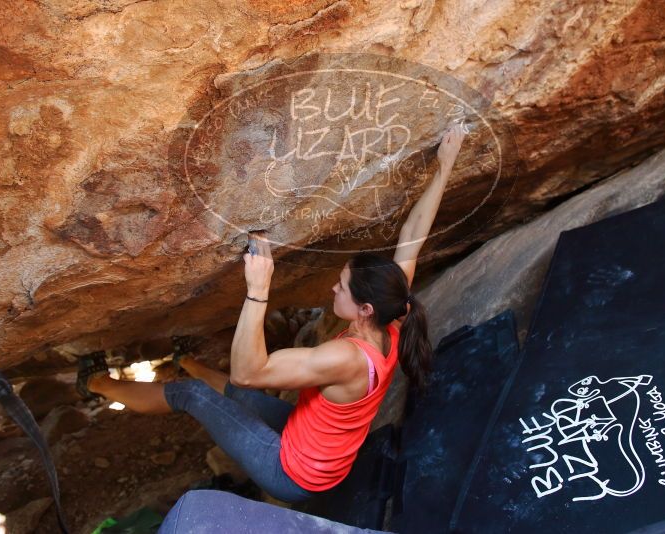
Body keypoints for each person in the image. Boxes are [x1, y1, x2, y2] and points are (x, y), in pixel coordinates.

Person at [77, 123, 466, 503]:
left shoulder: (343, 358)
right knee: (230, 392)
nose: (332, 287)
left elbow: (250, 373)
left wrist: (258, 290)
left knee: (192, 395)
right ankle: (187, 360)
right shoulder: (393, 317)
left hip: (293, 473)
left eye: (342, 287)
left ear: (364, 309)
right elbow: (412, 239)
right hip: (317, 444)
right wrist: (445, 164)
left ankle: (96, 385)